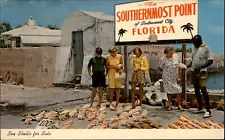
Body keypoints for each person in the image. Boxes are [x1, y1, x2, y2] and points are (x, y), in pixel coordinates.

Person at [187, 35, 213, 118]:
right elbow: (193, 60)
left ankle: (208, 111)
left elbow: (210, 60)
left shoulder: (206, 48)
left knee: (203, 90)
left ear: (200, 41)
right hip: (194, 72)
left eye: (195, 43)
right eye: (193, 43)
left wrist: (201, 67)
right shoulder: (194, 48)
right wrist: (188, 65)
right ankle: (200, 107)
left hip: (202, 72)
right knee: (196, 90)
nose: (194, 44)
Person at [159, 47, 185, 111]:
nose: (171, 53)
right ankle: (170, 105)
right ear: (166, 53)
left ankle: (179, 105)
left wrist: (179, 76)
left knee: (178, 90)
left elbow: (179, 66)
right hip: (167, 77)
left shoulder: (176, 57)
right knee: (169, 91)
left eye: (172, 51)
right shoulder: (163, 59)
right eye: (169, 52)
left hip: (175, 77)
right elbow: (160, 67)